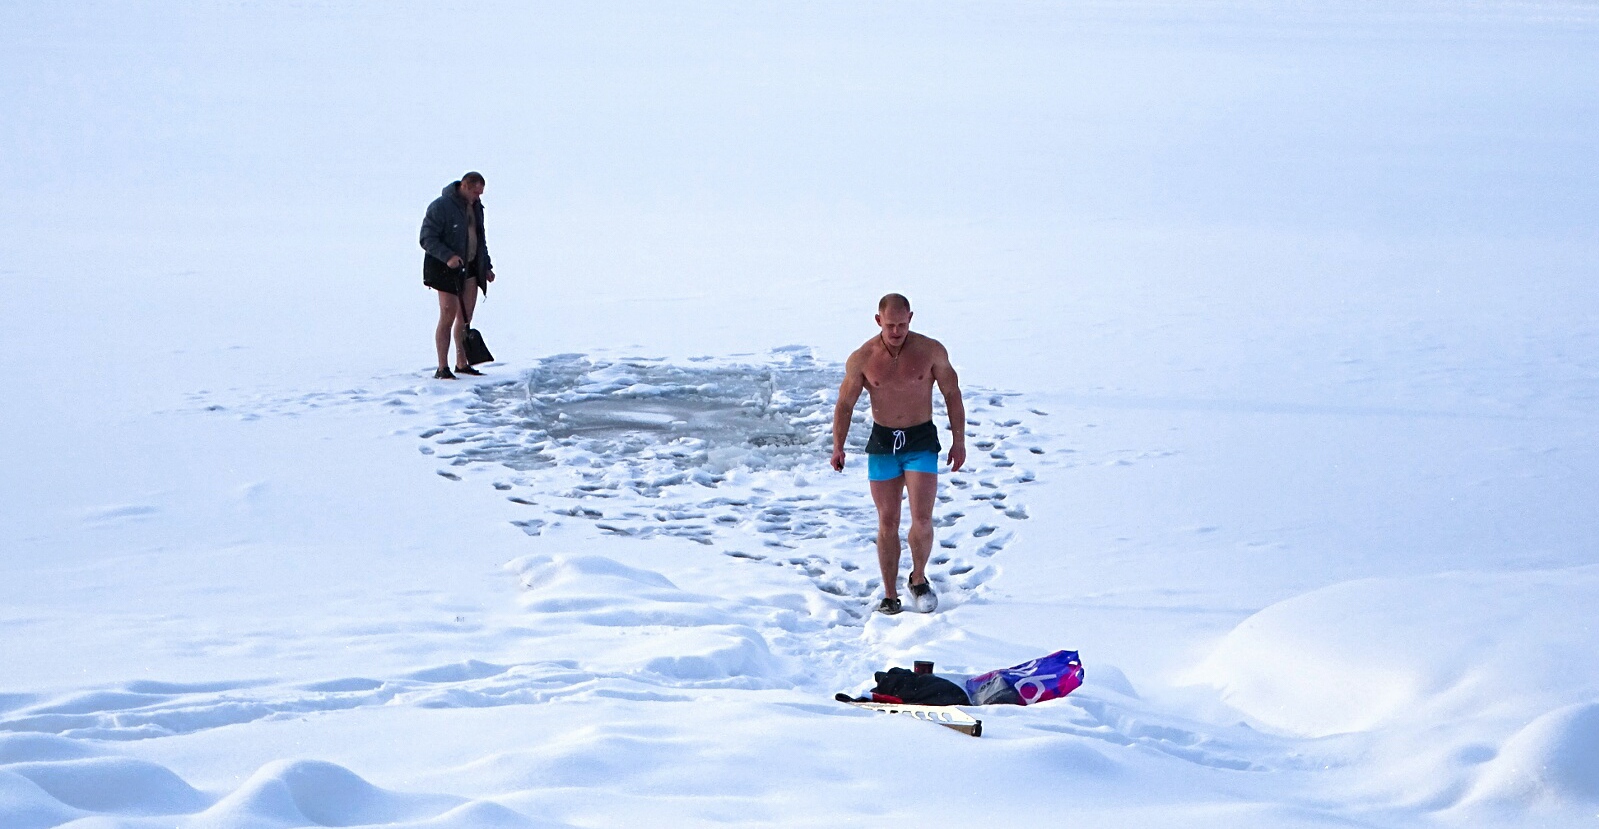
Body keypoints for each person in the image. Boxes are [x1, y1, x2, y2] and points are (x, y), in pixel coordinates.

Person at [831, 293, 966, 615]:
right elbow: (845, 404)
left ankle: (918, 579)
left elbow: (952, 393)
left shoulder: (931, 350)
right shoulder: (862, 358)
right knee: (887, 520)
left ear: (911, 319)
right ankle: (890, 595)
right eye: (890, 325)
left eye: (902, 325)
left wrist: (958, 441)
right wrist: (838, 445)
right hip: (883, 443)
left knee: (921, 518)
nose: (896, 332)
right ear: (878, 321)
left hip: (921, 440)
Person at [420, 172, 496, 379]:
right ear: (463, 186)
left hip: (471, 267)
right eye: (474, 192)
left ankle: (462, 364)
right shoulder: (441, 206)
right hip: (445, 269)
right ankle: (442, 367)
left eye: (480, 193)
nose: (477, 197)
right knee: (448, 314)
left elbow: (480, 239)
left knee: (465, 318)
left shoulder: (476, 207)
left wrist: (486, 266)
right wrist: (448, 256)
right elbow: (427, 238)